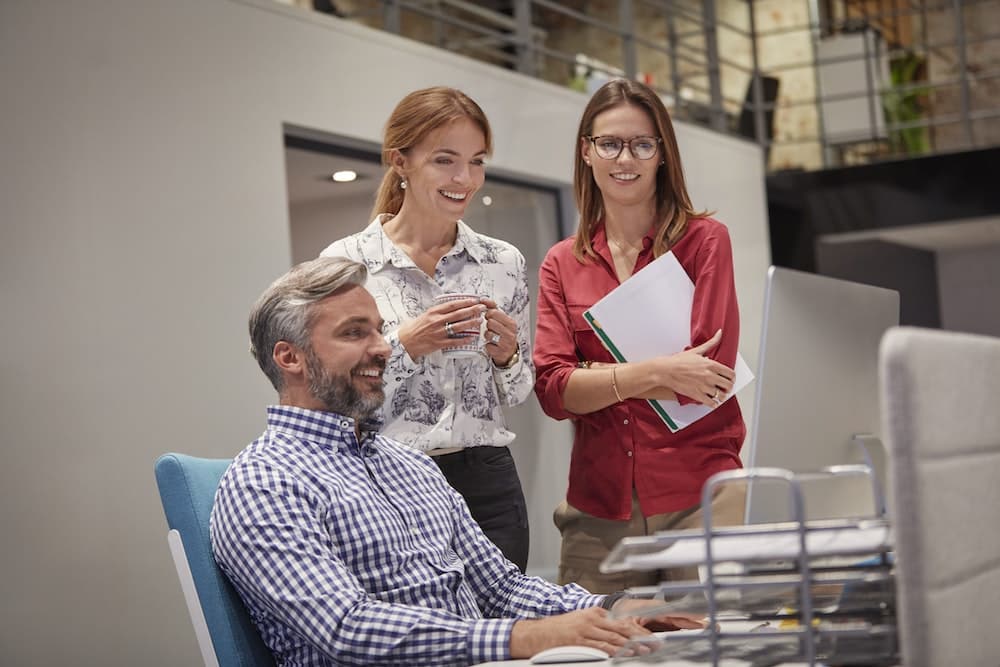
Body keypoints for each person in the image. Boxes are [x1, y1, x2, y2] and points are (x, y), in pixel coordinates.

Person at [210, 256, 704, 666]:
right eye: (354, 333)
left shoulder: (410, 466)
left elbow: (501, 589)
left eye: (379, 330)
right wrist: (523, 639)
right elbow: (346, 628)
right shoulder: (263, 482)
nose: (383, 348)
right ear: (289, 358)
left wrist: (613, 608)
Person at [533, 78, 747, 594]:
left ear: (662, 155)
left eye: (641, 144)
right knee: (598, 650)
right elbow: (553, 392)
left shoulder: (704, 242)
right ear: (587, 152)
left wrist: (595, 377)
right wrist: (657, 372)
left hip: (702, 496)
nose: (624, 158)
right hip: (597, 509)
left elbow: (707, 378)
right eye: (609, 143)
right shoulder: (562, 263)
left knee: (714, 649)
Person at [320, 87, 532, 571]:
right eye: (445, 160)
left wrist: (507, 356)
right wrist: (405, 346)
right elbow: (332, 397)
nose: (465, 178)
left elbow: (520, 391)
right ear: (401, 161)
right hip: (386, 482)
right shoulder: (345, 265)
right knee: (421, 641)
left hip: (488, 485)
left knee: (506, 639)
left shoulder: (503, 262)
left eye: (477, 162)